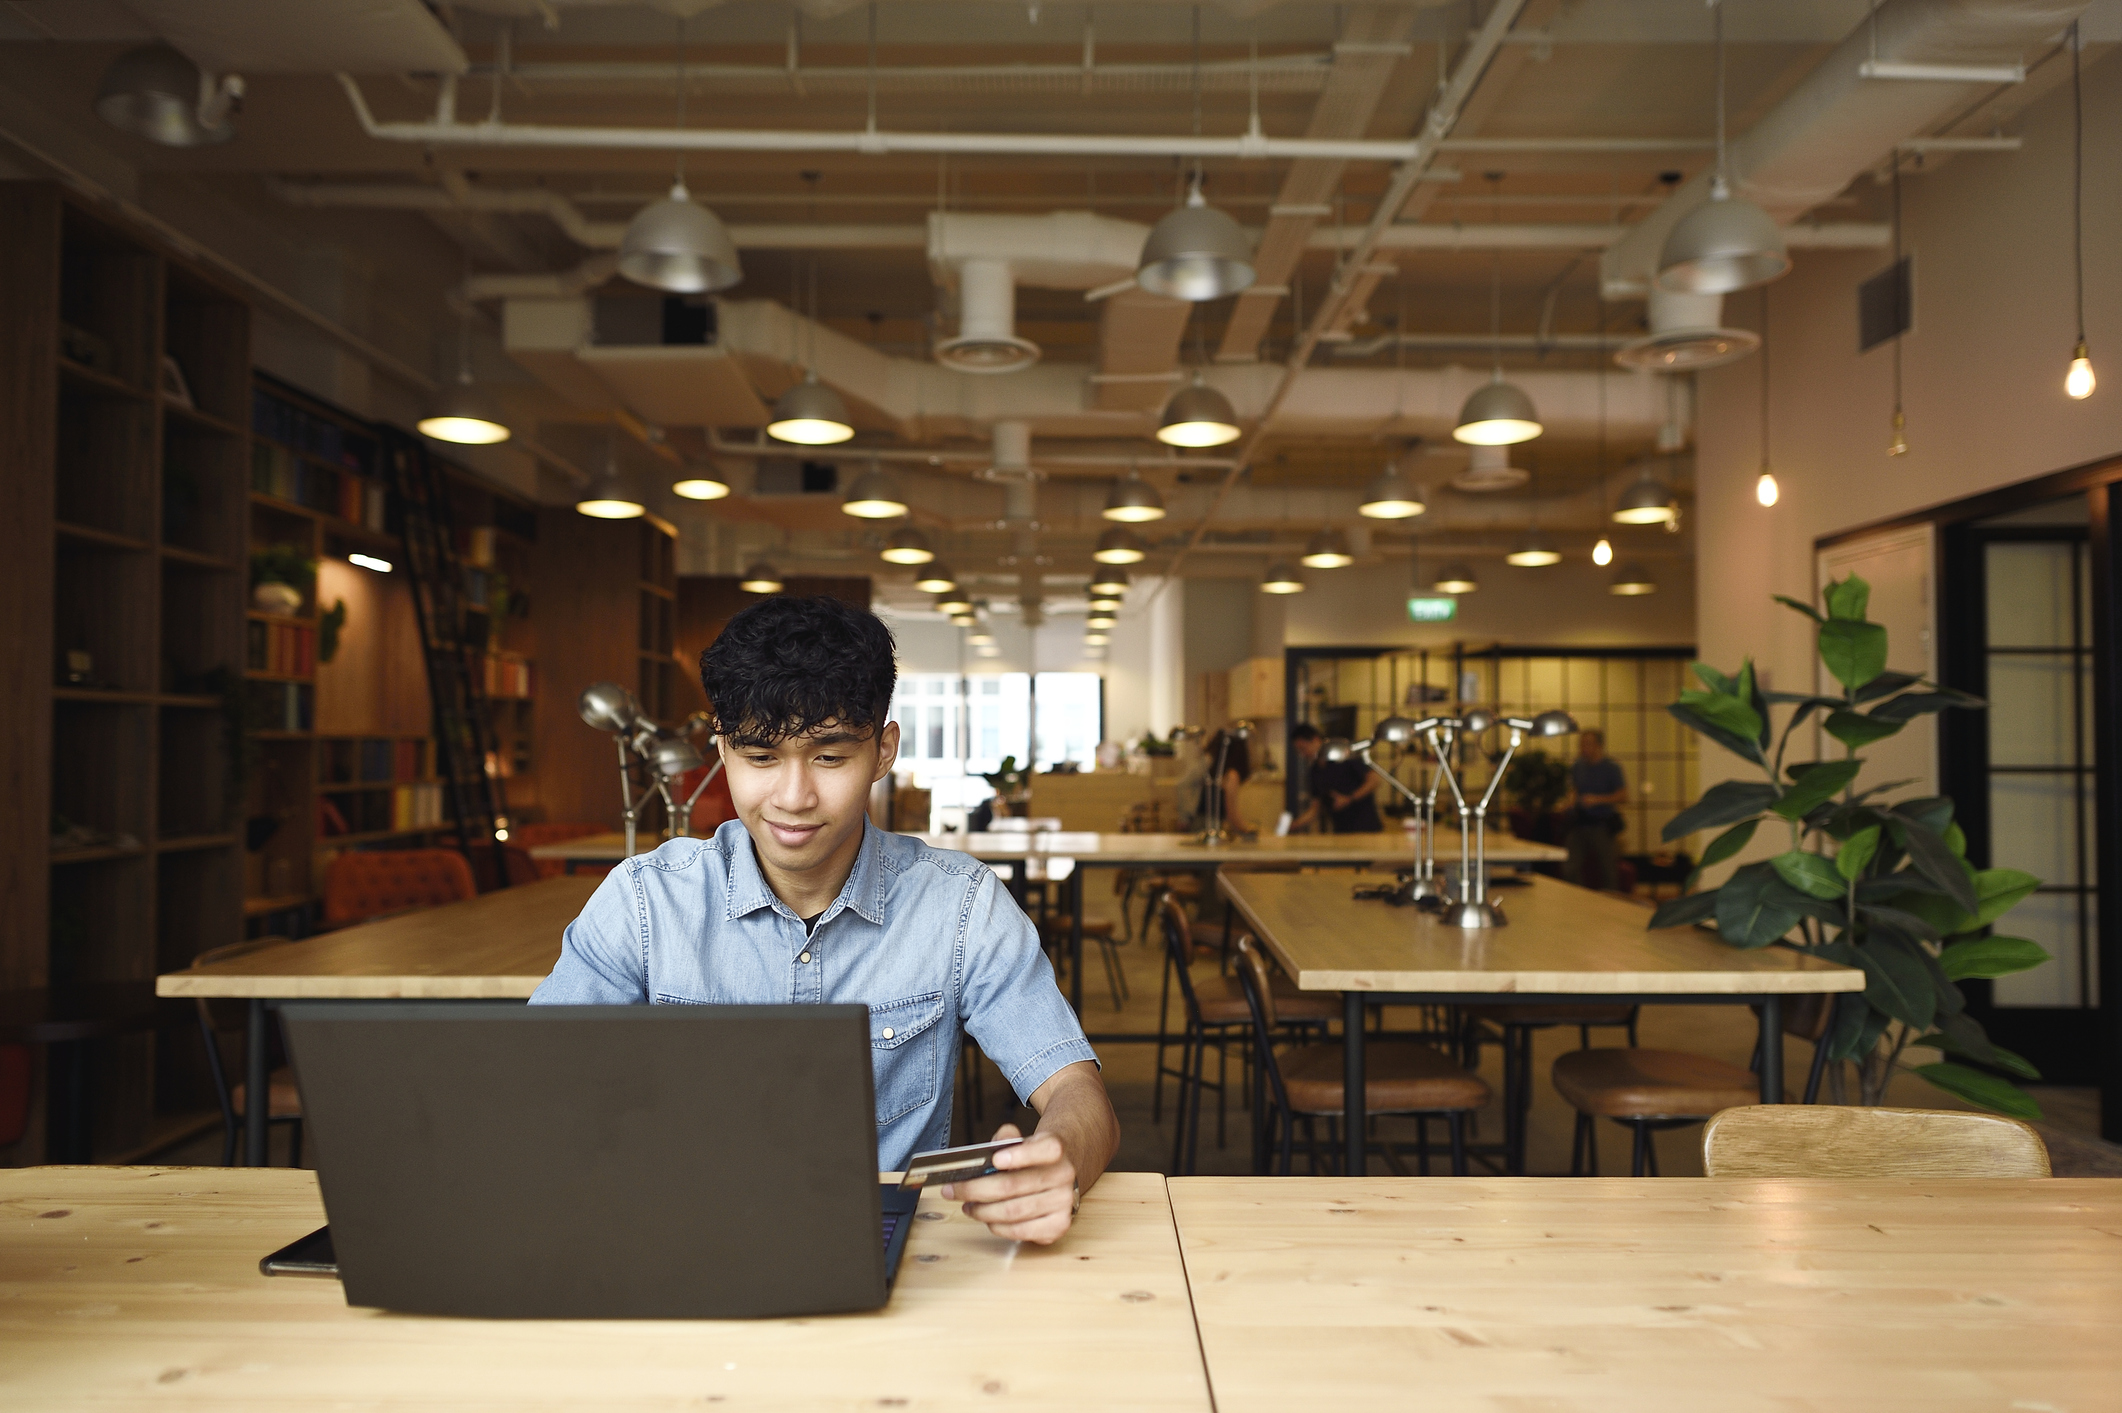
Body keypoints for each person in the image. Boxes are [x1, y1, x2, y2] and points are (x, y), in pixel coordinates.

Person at [532, 596, 1118, 1245]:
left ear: (883, 749)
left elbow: (1076, 1088)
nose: (793, 796)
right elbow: (533, 1093)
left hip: (879, 1253)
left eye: (830, 757)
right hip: (678, 1237)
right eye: (760, 757)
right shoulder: (643, 904)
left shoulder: (961, 906)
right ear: (721, 748)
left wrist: (1060, 1154)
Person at [1287, 723, 1383, 834]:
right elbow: (1315, 808)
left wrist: (1349, 798)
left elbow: (1374, 780)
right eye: (1299, 751)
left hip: (1366, 828)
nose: (1303, 754)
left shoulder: (1344, 754)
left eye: (1303, 748)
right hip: (1341, 831)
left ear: (1315, 739)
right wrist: (1294, 825)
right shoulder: (1315, 771)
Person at [1566, 728, 1628, 891]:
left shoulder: (1611, 768)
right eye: (1581, 744)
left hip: (1601, 825)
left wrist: (1597, 800)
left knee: (1608, 869)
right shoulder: (1578, 766)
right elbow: (1574, 789)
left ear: (1599, 746)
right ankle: (1577, 900)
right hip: (1579, 823)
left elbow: (1623, 796)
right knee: (1570, 867)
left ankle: (1612, 905)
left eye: (1588, 744)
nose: (1583, 748)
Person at [1198, 727, 1255, 835]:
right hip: (1212, 826)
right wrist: (1248, 829)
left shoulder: (1218, 771)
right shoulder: (1232, 775)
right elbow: (1231, 813)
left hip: (1201, 823)